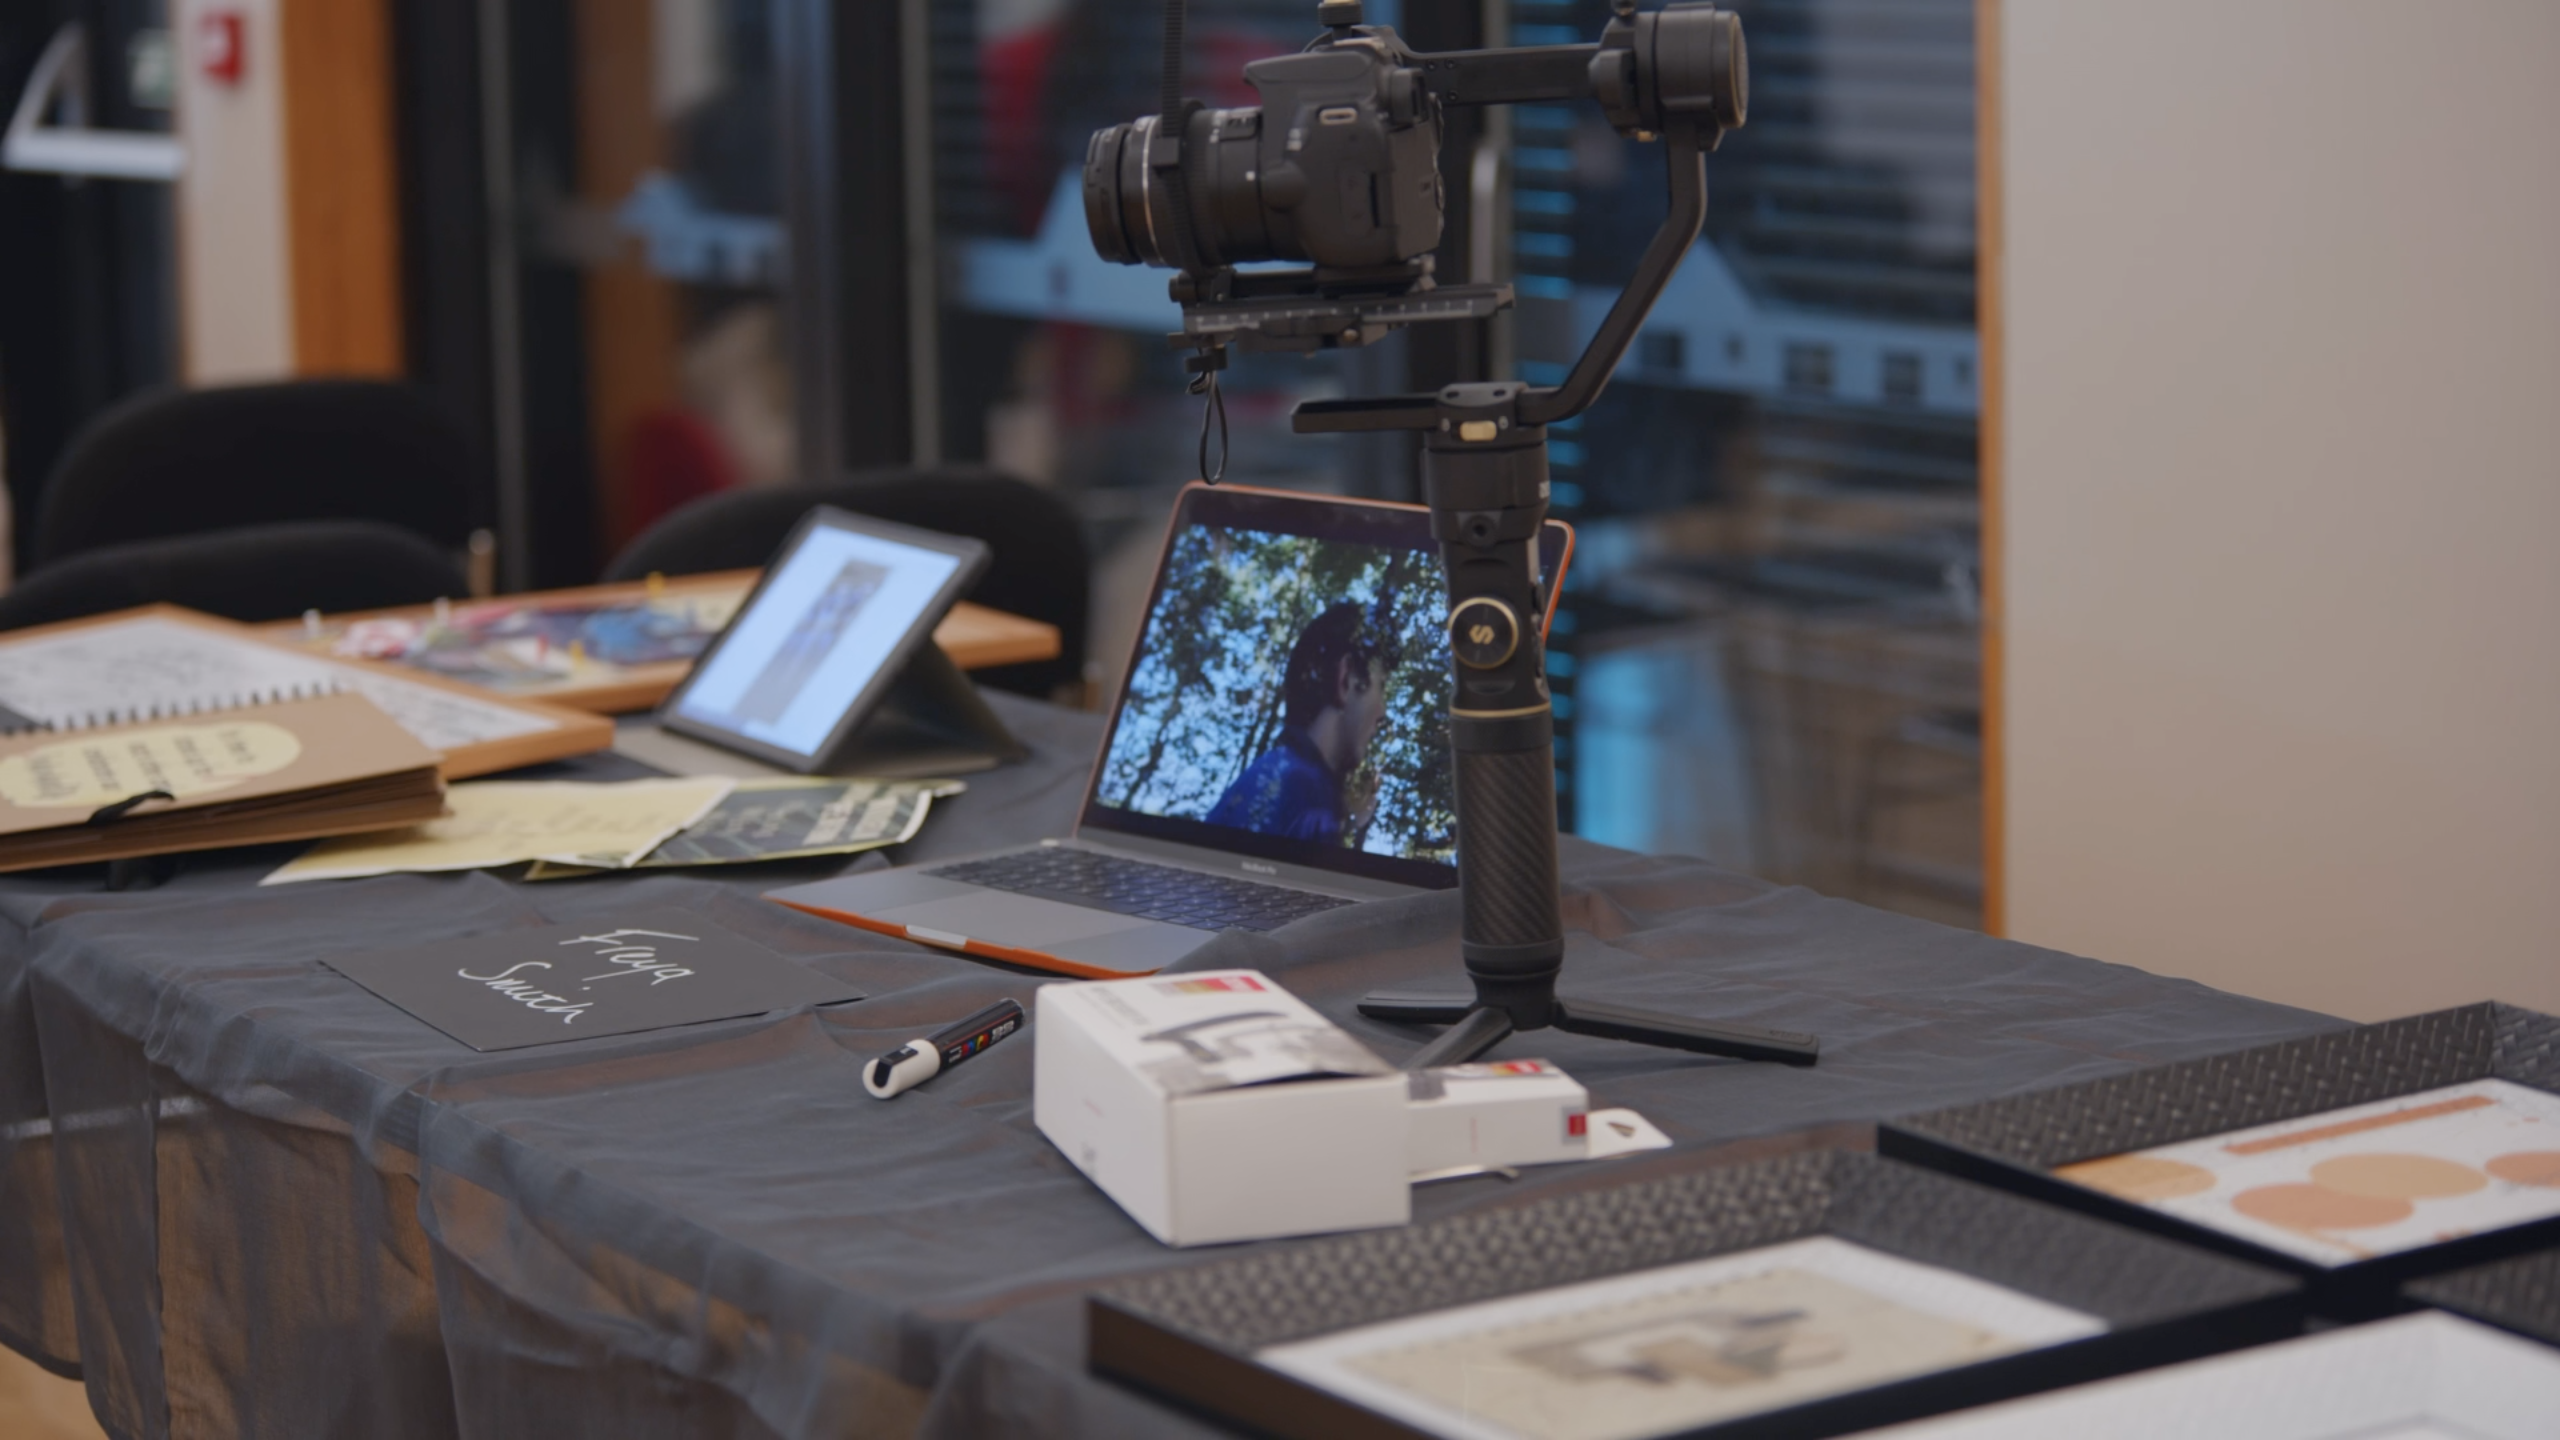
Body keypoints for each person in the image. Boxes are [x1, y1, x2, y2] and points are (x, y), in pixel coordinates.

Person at [1207, 601, 1396, 845]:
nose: (1382, 711)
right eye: (1380, 685)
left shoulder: (1281, 776)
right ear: (1346, 680)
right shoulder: (1302, 788)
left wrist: (1351, 823)